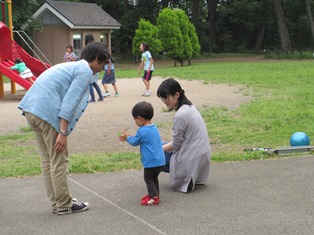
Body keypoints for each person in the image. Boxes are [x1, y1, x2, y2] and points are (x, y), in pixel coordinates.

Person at [17, 42, 110, 215]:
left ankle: (58, 201)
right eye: (102, 64)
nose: (101, 69)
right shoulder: (84, 71)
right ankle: (64, 205)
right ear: (96, 59)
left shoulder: (71, 66)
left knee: (47, 160)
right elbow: (69, 101)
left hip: (31, 109)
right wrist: (62, 132)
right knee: (58, 159)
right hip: (46, 113)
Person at [157, 78, 211, 193]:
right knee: (158, 146)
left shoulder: (180, 115)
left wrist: (157, 150)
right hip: (200, 156)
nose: (164, 101)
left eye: (166, 97)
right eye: (162, 98)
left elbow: (176, 145)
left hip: (191, 158)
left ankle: (152, 182)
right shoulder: (190, 107)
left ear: (176, 95)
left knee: (151, 153)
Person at [119, 101, 165, 205]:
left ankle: (153, 197)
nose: (135, 121)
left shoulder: (141, 131)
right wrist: (132, 135)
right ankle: (154, 194)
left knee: (148, 178)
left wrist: (127, 138)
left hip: (150, 162)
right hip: (160, 161)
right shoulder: (154, 127)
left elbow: (135, 142)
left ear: (140, 118)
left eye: (135, 119)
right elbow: (143, 138)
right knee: (154, 178)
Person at [85, 33, 104, 102]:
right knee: (94, 83)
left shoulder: (88, 48)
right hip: (97, 67)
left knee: (90, 83)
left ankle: (92, 98)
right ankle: (101, 97)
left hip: (91, 68)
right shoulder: (96, 47)